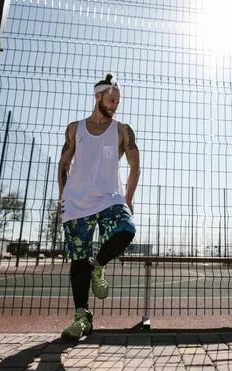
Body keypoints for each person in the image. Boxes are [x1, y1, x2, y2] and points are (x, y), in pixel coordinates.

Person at [58, 73, 140, 340]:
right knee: (77, 260)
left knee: (126, 229)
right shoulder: (74, 128)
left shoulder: (122, 130)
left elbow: (134, 164)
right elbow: (63, 164)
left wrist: (127, 199)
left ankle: (99, 264)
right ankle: (82, 318)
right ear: (98, 96)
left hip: (109, 198)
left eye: (118, 101)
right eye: (112, 99)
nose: (116, 104)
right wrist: (63, 197)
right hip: (76, 202)